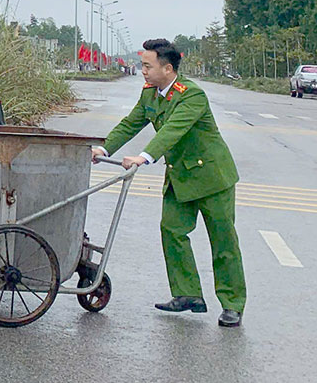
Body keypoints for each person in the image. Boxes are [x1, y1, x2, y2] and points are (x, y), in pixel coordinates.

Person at [91, 38, 246, 328]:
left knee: (223, 242)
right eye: (142, 65)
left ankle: (232, 303)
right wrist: (104, 148)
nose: (142, 71)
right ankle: (188, 295)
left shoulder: (192, 95)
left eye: (148, 66)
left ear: (168, 68)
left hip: (212, 177)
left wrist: (144, 157)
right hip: (180, 178)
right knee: (171, 230)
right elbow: (131, 122)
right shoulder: (150, 93)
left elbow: (173, 131)